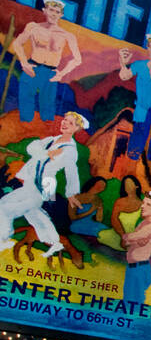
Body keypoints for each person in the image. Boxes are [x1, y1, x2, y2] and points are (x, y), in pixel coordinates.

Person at [0, 111, 87, 259]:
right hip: (30, 184)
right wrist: (46, 154)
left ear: (76, 129)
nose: (65, 123)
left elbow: (72, 171)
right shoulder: (52, 140)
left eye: (70, 123)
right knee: (32, 213)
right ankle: (55, 241)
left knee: (6, 208)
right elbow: (31, 148)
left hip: (42, 186)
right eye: (65, 120)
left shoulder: (70, 150)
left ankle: (3, 239)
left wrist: (71, 193)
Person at [10, 0, 82, 124]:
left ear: (61, 15)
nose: (53, 14)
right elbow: (17, 43)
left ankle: (44, 136)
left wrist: (61, 74)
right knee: (25, 102)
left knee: (47, 108)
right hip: (33, 67)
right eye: (51, 10)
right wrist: (24, 63)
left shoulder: (67, 35)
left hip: (50, 72)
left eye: (57, 11)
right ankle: (23, 133)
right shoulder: (33, 27)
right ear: (44, 11)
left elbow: (77, 59)